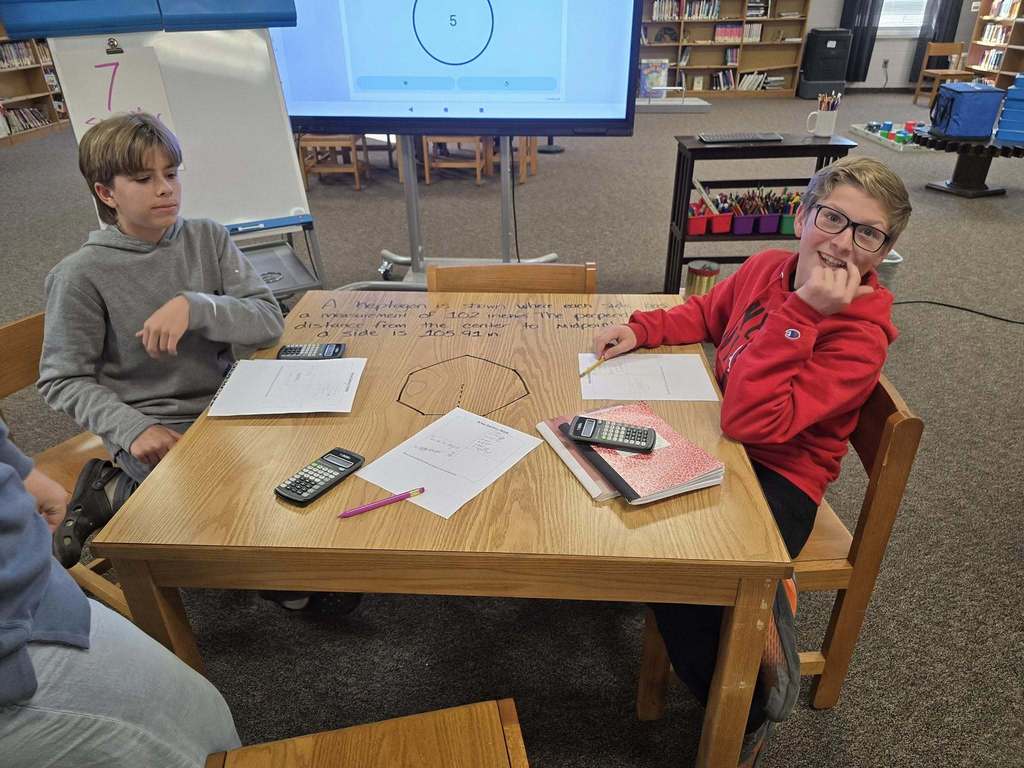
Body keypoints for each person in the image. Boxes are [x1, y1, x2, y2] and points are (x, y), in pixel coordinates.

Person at [592, 157, 911, 766]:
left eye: (866, 233)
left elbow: (752, 423)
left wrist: (803, 315)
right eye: (832, 218)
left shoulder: (857, 336)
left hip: (779, 476)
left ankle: (748, 707)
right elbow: (709, 315)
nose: (842, 244)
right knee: (606, 475)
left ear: (883, 250)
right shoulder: (767, 267)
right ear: (802, 216)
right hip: (720, 442)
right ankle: (750, 600)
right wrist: (644, 329)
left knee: (676, 569)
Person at [36, 112, 284, 571]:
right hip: (158, 428)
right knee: (239, 517)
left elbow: (268, 322)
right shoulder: (79, 276)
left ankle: (125, 493)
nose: (166, 188)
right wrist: (133, 430)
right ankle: (117, 490)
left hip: (230, 404)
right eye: (143, 178)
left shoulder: (207, 237)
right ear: (106, 193)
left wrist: (198, 306)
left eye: (170, 175)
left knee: (307, 462)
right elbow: (62, 379)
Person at [0, 419, 241, 767]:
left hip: (36, 599)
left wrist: (16, 470)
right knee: (183, 748)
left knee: (204, 718)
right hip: (17, 654)